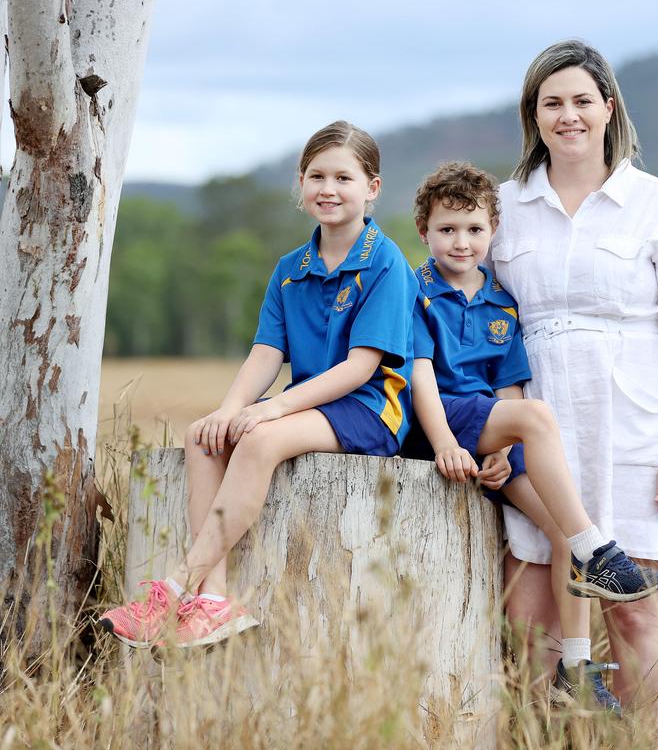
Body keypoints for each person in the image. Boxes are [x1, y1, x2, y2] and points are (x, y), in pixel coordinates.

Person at [99, 120, 419, 648]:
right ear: (300, 184)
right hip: (308, 405)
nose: (329, 189)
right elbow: (266, 352)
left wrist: (271, 412)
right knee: (205, 436)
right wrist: (230, 408)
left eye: (344, 177)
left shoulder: (385, 261)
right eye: (316, 176)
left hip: (367, 407)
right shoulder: (290, 268)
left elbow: (361, 367)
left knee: (261, 439)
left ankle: (176, 588)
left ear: (373, 188)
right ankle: (215, 599)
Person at [492, 40, 658, 722]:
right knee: (532, 619)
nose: (568, 116)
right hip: (536, 429)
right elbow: (473, 319)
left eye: (581, 101)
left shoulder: (655, 203)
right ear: (533, 116)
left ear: (608, 108)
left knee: (632, 614)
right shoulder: (505, 206)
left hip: (633, 429)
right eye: (551, 103)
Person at [401, 161, 658, 714]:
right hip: (437, 423)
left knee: (561, 527)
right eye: (447, 229)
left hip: (488, 431)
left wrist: (498, 450)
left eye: (474, 230)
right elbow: (418, 374)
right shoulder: (412, 290)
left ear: (494, 232)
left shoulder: (502, 303)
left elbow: (509, 388)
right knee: (540, 421)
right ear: (423, 231)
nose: (461, 241)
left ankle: (574, 667)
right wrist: (451, 443)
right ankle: (600, 551)